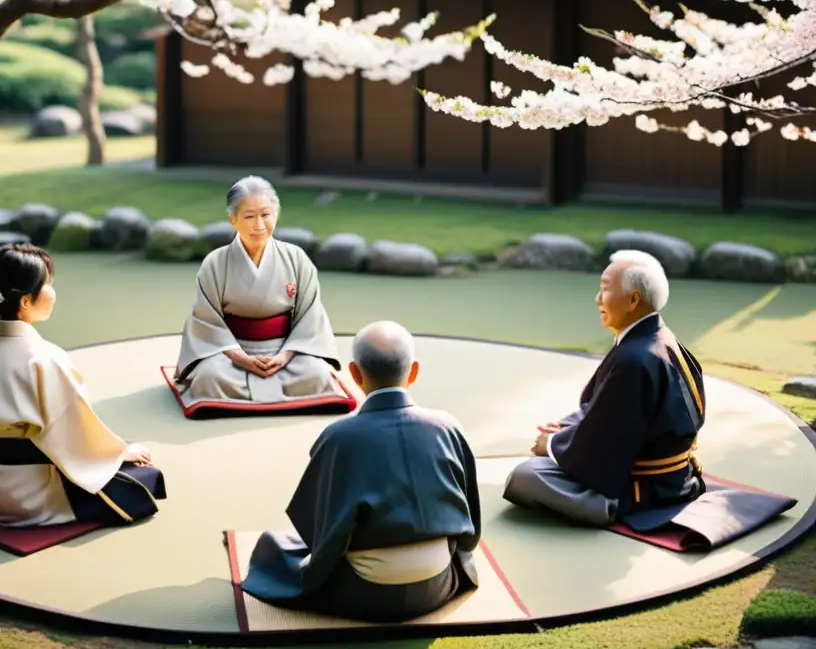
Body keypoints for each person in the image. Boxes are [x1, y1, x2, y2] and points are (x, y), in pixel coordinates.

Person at [240, 321, 481, 623]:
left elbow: (324, 531)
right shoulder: (448, 427)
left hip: (366, 592)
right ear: (414, 371)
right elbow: (470, 525)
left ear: (353, 374)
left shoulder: (339, 436)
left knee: (274, 547)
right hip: (439, 583)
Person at [0, 244, 165, 527]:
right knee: (146, 479)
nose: (52, 291)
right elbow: (74, 432)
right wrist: (120, 454)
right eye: (47, 283)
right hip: (28, 495)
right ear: (25, 301)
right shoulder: (46, 357)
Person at [502, 249, 706, 527]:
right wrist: (566, 431)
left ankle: (609, 506)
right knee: (555, 447)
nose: (598, 298)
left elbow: (604, 449)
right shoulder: (659, 338)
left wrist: (551, 445)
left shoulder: (634, 359)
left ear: (633, 299)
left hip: (644, 488)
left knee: (525, 476)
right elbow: (609, 413)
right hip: (671, 474)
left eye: (605, 290)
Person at [174, 175, 343, 408]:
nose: (259, 225)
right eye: (249, 216)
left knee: (317, 374)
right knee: (209, 378)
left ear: (276, 214)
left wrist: (284, 356)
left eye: (266, 214)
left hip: (287, 352)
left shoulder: (296, 259)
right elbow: (206, 322)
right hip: (230, 354)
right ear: (233, 220)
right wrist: (241, 357)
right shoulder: (215, 263)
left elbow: (310, 317)